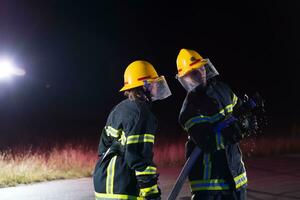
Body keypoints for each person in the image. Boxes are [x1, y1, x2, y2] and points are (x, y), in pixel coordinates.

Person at [175, 49, 248, 200]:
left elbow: (239, 110)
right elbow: (207, 143)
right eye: (194, 72)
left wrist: (245, 121)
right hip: (209, 185)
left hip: (235, 177)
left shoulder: (223, 89)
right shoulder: (189, 109)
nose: (200, 73)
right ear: (185, 78)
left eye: (201, 68)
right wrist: (229, 131)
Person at [93, 60, 171, 200]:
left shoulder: (119, 109)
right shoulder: (143, 114)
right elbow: (139, 157)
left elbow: (102, 149)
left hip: (102, 182)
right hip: (122, 186)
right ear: (145, 86)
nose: (156, 88)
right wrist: (150, 191)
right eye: (153, 83)